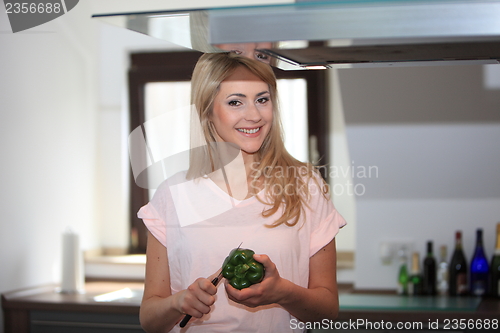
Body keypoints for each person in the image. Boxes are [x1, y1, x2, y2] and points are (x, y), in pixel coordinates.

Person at [137, 52, 346, 333]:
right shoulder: (171, 195)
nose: (254, 115)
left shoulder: (306, 187)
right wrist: (179, 302)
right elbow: (149, 319)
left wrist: (283, 292)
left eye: (262, 99)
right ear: (207, 111)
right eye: (235, 102)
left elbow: (327, 311)